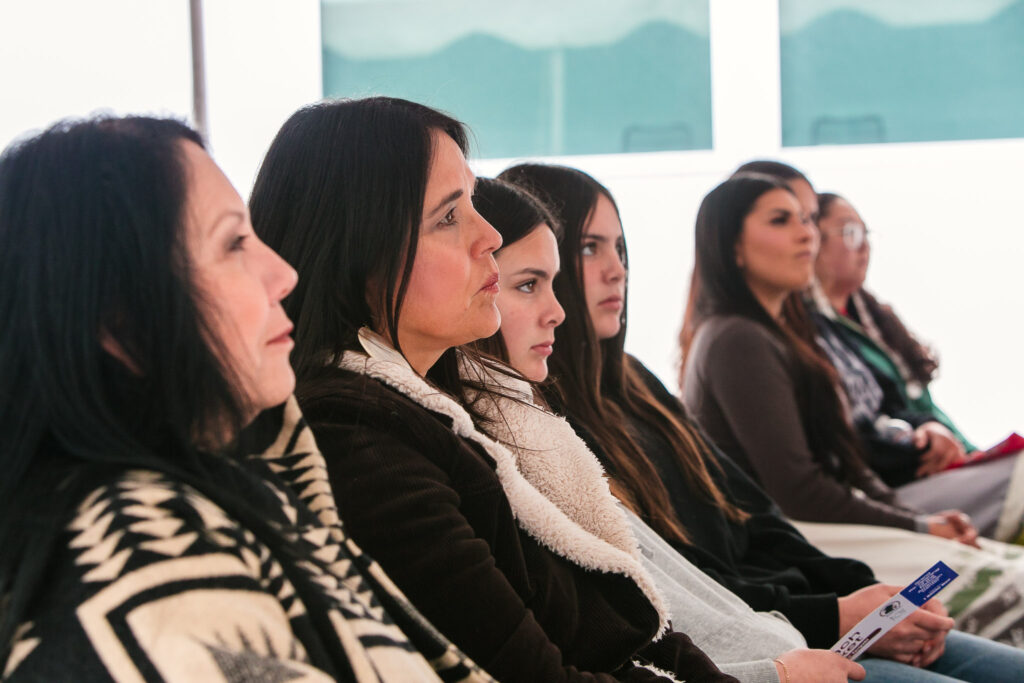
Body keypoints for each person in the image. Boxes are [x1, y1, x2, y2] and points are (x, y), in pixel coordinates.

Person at [250, 96, 743, 682]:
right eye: (449, 217)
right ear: (359, 249)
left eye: (475, 205)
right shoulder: (356, 440)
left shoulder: (448, 408)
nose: (488, 236)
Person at [0, 116, 492, 682]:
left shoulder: (251, 488)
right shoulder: (150, 576)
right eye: (233, 244)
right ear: (123, 325)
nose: (283, 273)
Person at [499, 163, 1024, 679]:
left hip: (798, 617)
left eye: (620, 247)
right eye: (589, 248)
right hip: (764, 646)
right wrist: (838, 606)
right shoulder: (544, 418)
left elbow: (756, 512)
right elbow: (698, 582)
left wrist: (855, 595)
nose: (617, 269)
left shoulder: (636, 382)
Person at [731, 162, 1023, 542]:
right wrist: (919, 524)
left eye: (808, 218)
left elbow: (858, 446)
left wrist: (920, 513)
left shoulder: (837, 325)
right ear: (730, 238)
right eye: (783, 219)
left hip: (886, 499)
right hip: (857, 520)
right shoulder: (742, 340)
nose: (806, 234)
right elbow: (807, 488)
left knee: (1001, 575)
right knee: (998, 580)